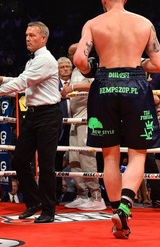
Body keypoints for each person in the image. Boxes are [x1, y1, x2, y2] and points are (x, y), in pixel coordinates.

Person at [73, 0, 160, 239]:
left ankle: (115, 215)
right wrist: (138, 64)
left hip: (103, 84)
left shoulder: (93, 24)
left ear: (104, 0)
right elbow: (159, 65)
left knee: (110, 155)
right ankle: (125, 206)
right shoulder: (144, 23)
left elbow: (80, 59)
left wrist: (93, 68)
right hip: (135, 84)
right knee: (137, 153)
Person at [0, 21, 62, 223]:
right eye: (26, 34)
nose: (28, 38)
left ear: (43, 38)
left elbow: (22, 82)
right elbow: (25, 82)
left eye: (32, 35)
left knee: (46, 165)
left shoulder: (45, 60)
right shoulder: (33, 61)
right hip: (32, 115)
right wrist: (1, 79)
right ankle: (34, 202)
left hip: (48, 115)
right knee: (20, 159)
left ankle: (49, 210)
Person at [62, 43, 105, 210]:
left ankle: (96, 196)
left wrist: (73, 87)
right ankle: (81, 194)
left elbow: (96, 85)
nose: (73, 57)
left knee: (87, 156)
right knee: (74, 158)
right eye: (71, 54)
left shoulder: (92, 66)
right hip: (74, 118)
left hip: (88, 117)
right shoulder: (74, 71)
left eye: (75, 53)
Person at [56, 56, 73, 202]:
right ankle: (55, 194)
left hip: (76, 125)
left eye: (68, 66)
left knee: (80, 157)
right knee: (56, 159)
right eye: (62, 67)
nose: (65, 69)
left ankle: (82, 193)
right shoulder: (53, 84)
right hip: (59, 126)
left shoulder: (77, 83)